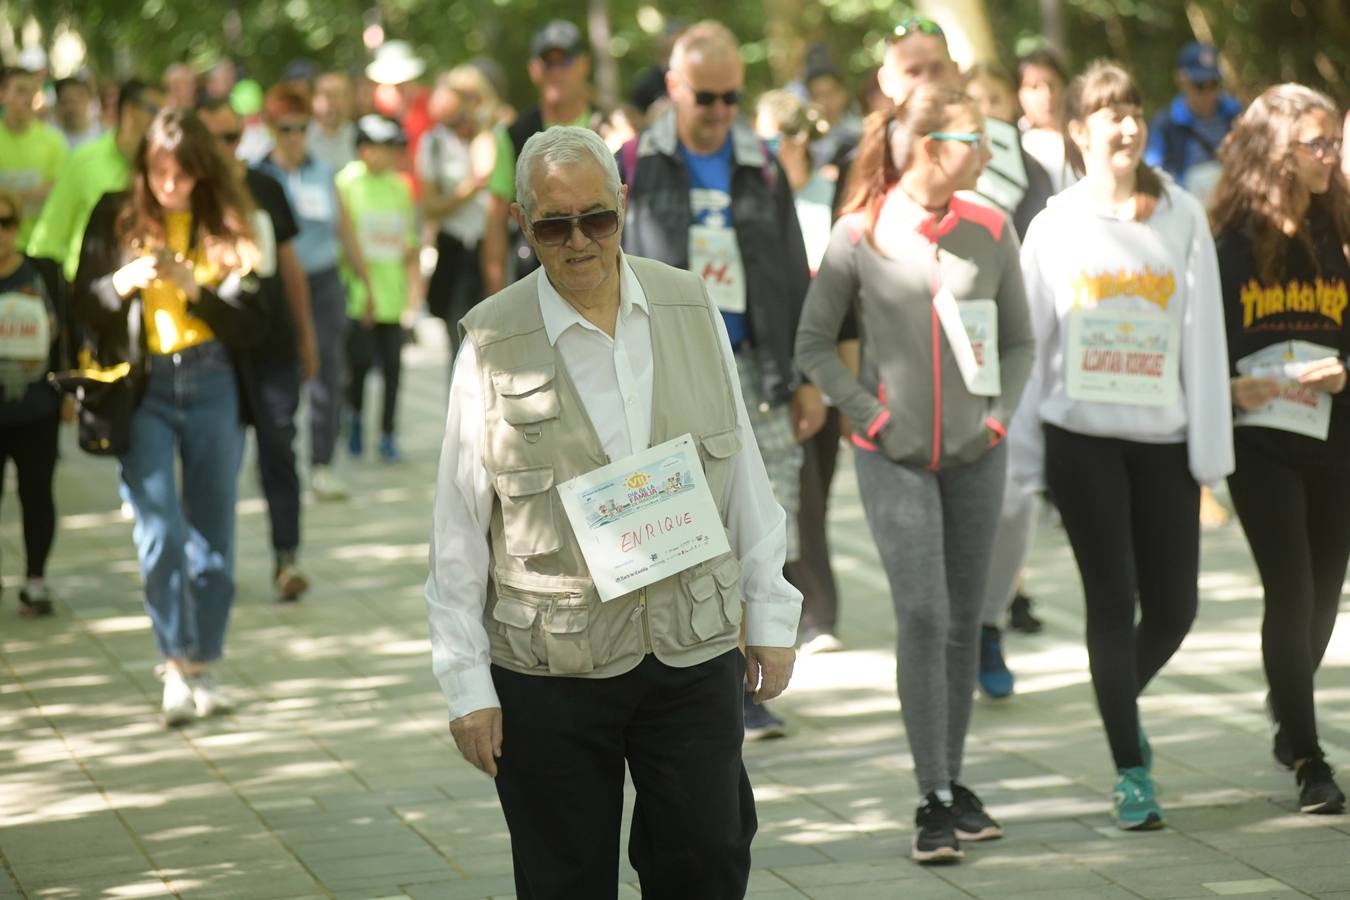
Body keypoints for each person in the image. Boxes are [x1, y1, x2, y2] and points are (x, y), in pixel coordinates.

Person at [426, 124, 800, 900]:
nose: (578, 242)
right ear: (522, 223)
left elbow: (743, 475)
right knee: (565, 881)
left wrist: (770, 610)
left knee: (708, 860)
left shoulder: (689, 303)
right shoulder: (491, 340)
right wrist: (467, 686)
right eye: (553, 225)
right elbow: (457, 529)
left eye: (595, 218)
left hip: (689, 645)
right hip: (551, 665)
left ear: (622, 206)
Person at [797, 81, 1034, 862]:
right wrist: (872, 416)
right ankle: (931, 795)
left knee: (965, 620)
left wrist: (997, 418)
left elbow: (1022, 342)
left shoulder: (992, 227)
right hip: (891, 459)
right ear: (934, 147)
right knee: (925, 614)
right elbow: (812, 348)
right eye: (978, 141)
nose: (992, 155)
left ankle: (955, 783)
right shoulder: (858, 233)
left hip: (978, 457)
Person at [1014, 61, 1233, 830]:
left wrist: (1212, 458)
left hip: (1164, 440)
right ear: (1078, 130)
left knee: (1175, 608)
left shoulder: (1181, 215)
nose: (1128, 122)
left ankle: (1115, 697)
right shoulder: (1054, 225)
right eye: (1109, 111)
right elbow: (1030, 346)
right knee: (1112, 601)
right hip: (1082, 442)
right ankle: (1130, 769)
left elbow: (1203, 337)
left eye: (1134, 108)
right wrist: (1025, 462)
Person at [618, 20, 823, 740]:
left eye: (733, 97)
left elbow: (792, 269)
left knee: (763, 528)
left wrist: (804, 376)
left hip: (757, 371)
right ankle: (693, 681)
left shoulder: (761, 163)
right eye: (706, 96)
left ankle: (748, 680)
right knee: (683, 529)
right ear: (675, 88)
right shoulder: (636, 162)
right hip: (670, 370)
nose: (719, 111)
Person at [71, 108, 264, 725]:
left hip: (211, 381)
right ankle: (173, 666)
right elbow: (84, 302)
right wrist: (124, 280)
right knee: (160, 533)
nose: (171, 185)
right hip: (145, 387)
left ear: (203, 171)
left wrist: (192, 287)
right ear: (144, 169)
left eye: (183, 173)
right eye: (160, 173)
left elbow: (253, 327)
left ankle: (204, 663)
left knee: (213, 537)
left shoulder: (227, 222)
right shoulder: (114, 213)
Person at [1210, 84, 1350, 815]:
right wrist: (1228, 390)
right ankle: (1308, 756)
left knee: (1326, 597)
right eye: (1317, 143)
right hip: (1261, 440)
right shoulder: (1230, 240)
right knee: (1290, 592)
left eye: (1333, 142)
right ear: (1277, 151)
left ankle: (1285, 704)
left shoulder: (1340, 225)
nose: (1331, 155)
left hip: (1335, 430)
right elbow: (1203, 341)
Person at [961, 60, 1056, 697]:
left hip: (1017, 351)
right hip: (949, 355)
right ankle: (955, 627)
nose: (989, 113)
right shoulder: (942, 176)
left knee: (1016, 496)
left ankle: (990, 618)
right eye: (977, 104)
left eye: (999, 100)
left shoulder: (1039, 175)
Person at [198, 97, 316, 602]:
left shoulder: (265, 186)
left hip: (271, 346)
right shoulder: (190, 197)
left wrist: (307, 335)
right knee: (214, 459)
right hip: (214, 351)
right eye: (214, 138)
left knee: (277, 450)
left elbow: (289, 266)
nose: (225, 148)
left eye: (231, 136)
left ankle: (286, 558)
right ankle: (209, 565)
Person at [753, 89, 842, 654]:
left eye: (772, 141)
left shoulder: (827, 193)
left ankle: (818, 610)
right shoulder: (758, 192)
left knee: (815, 494)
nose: (762, 152)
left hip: (827, 354)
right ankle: (811, 612)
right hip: (783, 357)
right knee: (795, 490)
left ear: (798, 141)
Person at [257, 84, 375, 501]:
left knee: (328, 373)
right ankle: (277, 458)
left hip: (324, 282)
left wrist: (365, 281)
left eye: (301, 128)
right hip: (276, 287)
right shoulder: (259, 177)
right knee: (280, 374)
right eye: (286, 128)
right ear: (272, 129)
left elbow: (345, 230)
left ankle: (322, 464)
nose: (294, 137)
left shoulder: (324, 174)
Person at [481, 19, 595, 296]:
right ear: (534, 70)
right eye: (548, 63)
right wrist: (497, 298)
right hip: (537, 280)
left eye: (564, 61)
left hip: (600, 277)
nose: (556, 72)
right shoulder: (512, 136)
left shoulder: (608, 129)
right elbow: (496, 219)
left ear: (583, 64)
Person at [0, 188, 68, 616]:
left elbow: (66, 335)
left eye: (5, 222)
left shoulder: (42, 273)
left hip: (36, 408)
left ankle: (36, 579)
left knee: (37, 495)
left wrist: (68, 396)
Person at [337, 114, 420, 463]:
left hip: (393, 294)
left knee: (393, 370)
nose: (386, 154)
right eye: (380, 147)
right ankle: (354, 419)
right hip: (357, 295)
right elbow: (345, 238)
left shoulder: (400, 186)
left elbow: (409, 242)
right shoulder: (345, 183)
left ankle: (388, 433)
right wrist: (364, 287)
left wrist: (413, 296)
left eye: (390, 147)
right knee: (357, 366)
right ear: (362, 149)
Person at [28, 80, 165, 282]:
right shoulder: (83, 162)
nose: (163, 120)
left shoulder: (166, 167)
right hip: (87, 290)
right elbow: (49, 237)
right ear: (128, 110)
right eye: (155, 110)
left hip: (149, 289)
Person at [418, 66, 496, 349]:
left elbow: (487, 168)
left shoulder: (495, 133)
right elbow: (429, 207)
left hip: (493, 247)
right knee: (459, 340)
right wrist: (469, 189)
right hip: (454, 248)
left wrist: (483, 130)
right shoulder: (434, 142)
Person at [1145, 42, 1242, 207]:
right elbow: (1152, 176)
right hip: (1187, 210)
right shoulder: (1165, 125)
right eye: (1199, 85)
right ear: (1181, 81)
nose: (1208, 93)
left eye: (1214, 84)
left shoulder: (1236, 116)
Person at [0, 65, 68, 248]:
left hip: (40, 247)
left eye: (32, 92)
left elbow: (57, 192)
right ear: (3, 94)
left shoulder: (54, 141)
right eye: (20, 91)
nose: (28, 98)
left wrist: (8, 196)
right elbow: (41, 193)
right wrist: (31, 195)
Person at [1016, 49, 1073, 194]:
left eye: (1052, 85)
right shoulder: (1015, 143)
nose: (1046, 95)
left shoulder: (1085, 134)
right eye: (1034, 87)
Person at [308, 71, 358, 172]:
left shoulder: (361, 137)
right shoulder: (297, 135)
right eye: (328, 95)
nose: (334, 103)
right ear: (313, 99)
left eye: (340, 95)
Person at [53, 76, 103, 150]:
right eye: (65, 101)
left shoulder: (102, 135)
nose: (70, 107)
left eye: (74, 100)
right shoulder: (53, 136)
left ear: (87, 99)